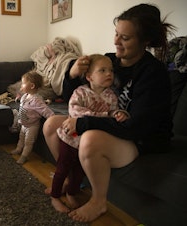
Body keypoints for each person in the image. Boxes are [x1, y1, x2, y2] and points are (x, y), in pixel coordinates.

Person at [42, 3, 175, 222]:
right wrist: (72, 74)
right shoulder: (108, 60)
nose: (116, 42)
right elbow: (72, 97)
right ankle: (70, 177)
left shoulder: (153, 73)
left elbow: (136, 127)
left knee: (90, 139)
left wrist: (84, 123)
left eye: (125, 38)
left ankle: (98, 201)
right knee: (52, 125)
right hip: (110, 125)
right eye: (116, 34)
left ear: (145, 41)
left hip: (141, 139)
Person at [50, 54, 130, 213]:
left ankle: (72, 193)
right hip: (70, 139)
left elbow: (112, 114)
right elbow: (74, 111)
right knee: (62, 169)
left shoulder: (111, 96)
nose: (109, 74)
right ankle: (55, 197)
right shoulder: (80, 92)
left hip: (87, 144)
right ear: (89, 77)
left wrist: (119, 113)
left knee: (79, 173)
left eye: (111, 70)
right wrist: (103, 115)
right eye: (102, 70)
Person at [10, 71, 55, 164]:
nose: (21, 85)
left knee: (28, 142)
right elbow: (23, 104)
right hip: (23, 124)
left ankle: (24, 156)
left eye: (23, 83)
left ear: (32, 86)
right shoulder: (25, 96)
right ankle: (18, 149)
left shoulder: (36, 100)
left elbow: (46, 111)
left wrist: (53, 119)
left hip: (32, 126)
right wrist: (18, 98)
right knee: (21, 138)